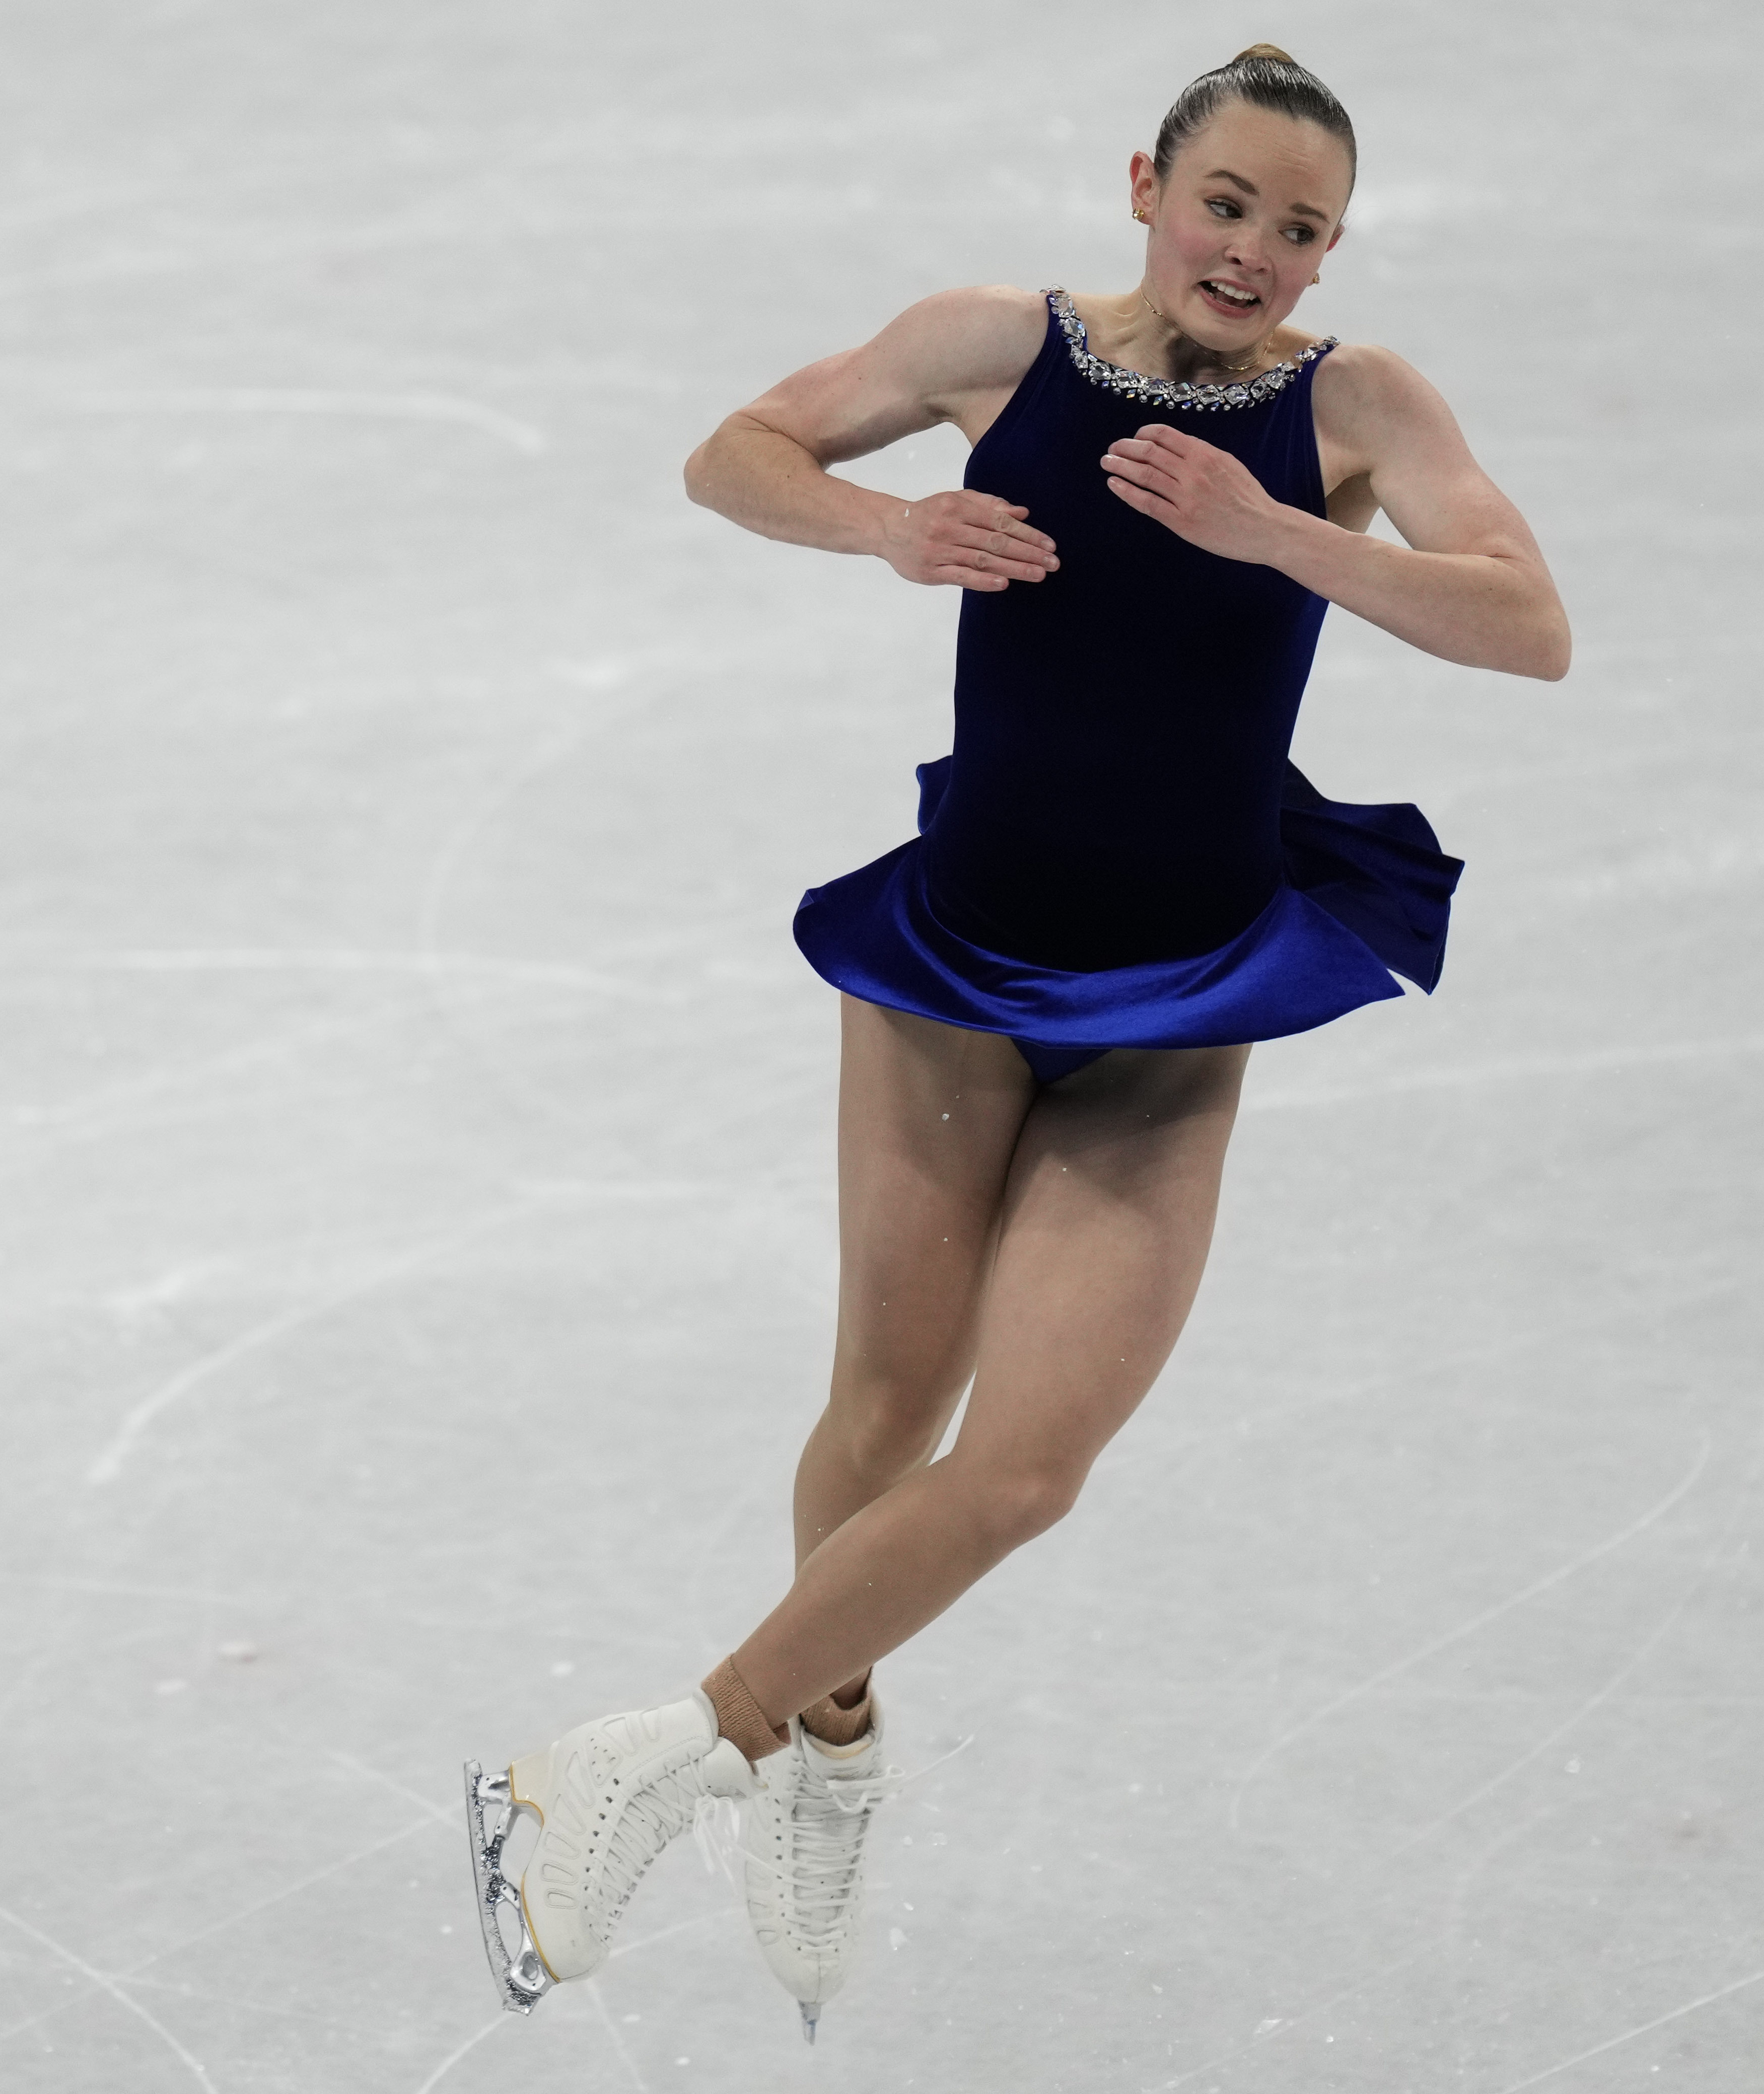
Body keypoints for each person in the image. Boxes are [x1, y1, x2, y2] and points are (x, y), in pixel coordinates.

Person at [461, 44, 1567, 2042]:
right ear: (1149, 181)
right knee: (883, 1421)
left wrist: (1284, 535)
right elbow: (737, 450)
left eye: (1300, 226)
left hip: (1171, 1009)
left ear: (1332, 251)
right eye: (1226, 200)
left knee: (1029, 1463)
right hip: (956, 972)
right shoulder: (999, 344)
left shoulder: (1360, 407)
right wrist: (884, 532)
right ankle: (829, 1753)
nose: (1255, 250)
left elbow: (1528, 622)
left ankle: (653, 1757)